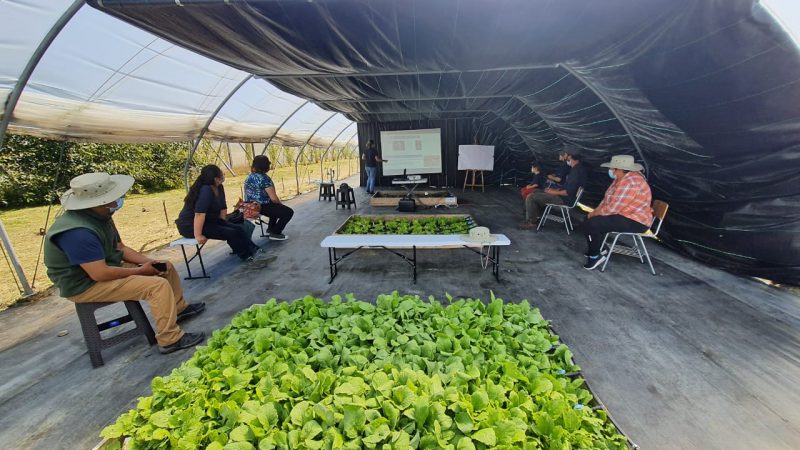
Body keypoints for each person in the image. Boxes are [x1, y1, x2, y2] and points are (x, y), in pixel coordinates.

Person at [43, 172, 205, 354]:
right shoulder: (77, 232)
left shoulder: (101, 217)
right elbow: (100, 274)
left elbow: (119, 247)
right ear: (99, 203)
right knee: (156, 286)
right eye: (113, 198)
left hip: (103, 268)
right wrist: (141, 272)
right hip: (85, 284)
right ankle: (170, 339)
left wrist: (150, 263)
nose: (118, 200)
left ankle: (179, 309)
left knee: (165, 266)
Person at [583, 155, 653, 270]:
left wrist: (594, 214)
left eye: (612, 168)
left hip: (636, 221)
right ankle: (598, 248)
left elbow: (612, 209)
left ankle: (595, 256)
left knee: (592, 223)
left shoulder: (630, 182)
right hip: (625, 215)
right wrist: (594, 212)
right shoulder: (620, 179)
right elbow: (606, 201)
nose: (610, 171)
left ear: (619, 169)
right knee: (588, 220)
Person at [176, 165, 261, 259]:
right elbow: (199, 214)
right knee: (231, 232)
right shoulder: (206, 190)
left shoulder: (219, 187)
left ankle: (254, 250)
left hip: (208, 221)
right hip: (191, 226)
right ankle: (246, 256)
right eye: (222, 174)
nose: (223, 176)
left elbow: (222, 207)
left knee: (238, 228)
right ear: (216, 178)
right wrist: (198, 235)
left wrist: (223, 222)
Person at [519, 153, 588, 229]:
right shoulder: (578, 169)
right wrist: (554, 190)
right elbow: (567, 188)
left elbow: (567, 192)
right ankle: (535, 216)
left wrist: (553, 192)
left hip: (563, 200)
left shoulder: (576, 172)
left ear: (571, 158)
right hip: (564, 196)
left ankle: (532, 222)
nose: (567, 160)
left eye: (568, 158)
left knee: (531, 196)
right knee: (536, 191)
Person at [244, 155, 294, 241]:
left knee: (274, 208)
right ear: (265, 166)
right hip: (260, 206)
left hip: (249, 205)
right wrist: (281, 205)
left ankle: (271, 229)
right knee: (288, 212)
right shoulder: (264, 178)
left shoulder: (249, 177)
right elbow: (273, 198)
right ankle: (276, 233)